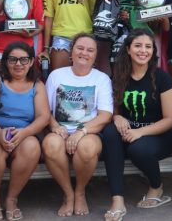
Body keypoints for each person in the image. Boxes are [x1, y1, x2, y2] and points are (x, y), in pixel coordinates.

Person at [102, 29, 172, 221]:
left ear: (153, 50)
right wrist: (116, 117)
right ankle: (117, 200)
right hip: (128, 134)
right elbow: (115, 109)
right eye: (137, 45)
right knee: (110, 132)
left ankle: (156, 186)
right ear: (128, 49)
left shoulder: (161, 78)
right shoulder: (119, 76)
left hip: (157, 136)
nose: (143, 50)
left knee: (138, 148)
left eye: (148, 46)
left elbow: (170, 119)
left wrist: (140, 132)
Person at [0, 42, 51, 220]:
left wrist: (25, 133)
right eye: (13, 60)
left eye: (24, 59)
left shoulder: (37, 85)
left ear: (32, 61)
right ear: (6, 62)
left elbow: (43, 117)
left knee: (32, 147)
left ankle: (11, 199)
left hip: (23, 133)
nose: (18, 64)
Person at [42, 33, 113, 217]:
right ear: (71, 52)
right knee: (50, 144)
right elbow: (45, 111)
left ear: (95, 55)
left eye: (90, 50)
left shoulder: (102, 79)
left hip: (89, 132)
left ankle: (80, 192)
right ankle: (68, 194)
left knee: (87, 147)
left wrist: (81, 132)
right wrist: (55, 126)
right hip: (60, 130)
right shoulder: (56, 75)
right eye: (80, 48)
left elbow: (105, 115)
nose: (84, 53)